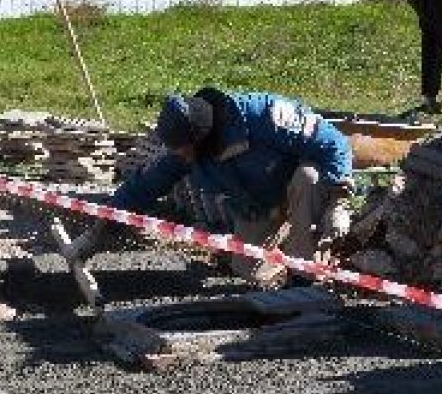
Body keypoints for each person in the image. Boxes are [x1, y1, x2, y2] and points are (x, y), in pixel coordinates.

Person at [66, 87, 354, 287]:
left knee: (309, 177)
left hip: (300, 188)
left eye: (182, 150)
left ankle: (306, 275)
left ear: (201, 137)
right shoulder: (187, 151)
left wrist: (339, 201)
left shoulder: (262, 115)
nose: (179, 156)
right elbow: (144, 186)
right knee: (249, 272)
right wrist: (100, 228)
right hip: (261, 203)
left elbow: (334, 143)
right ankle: (287, 252)